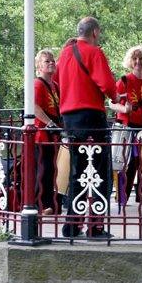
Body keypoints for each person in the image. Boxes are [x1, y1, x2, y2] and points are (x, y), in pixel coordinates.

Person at [55, 16, 119, 239]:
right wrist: (116, 96)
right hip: (91, 116)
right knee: (100, 171)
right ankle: (95, 226)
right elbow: (108, 84)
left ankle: (72, 225)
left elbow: (56, 81)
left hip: (69, 118)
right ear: (95, 33)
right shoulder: (94, 52)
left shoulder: (64, 54)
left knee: (78, 170)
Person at [108, 45, 142, 205]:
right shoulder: (124, 80)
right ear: (131, 61)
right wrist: (124, 108)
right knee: (124, 162)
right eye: (135, 58)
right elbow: (111, 103)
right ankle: (122, 196)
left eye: (141, 58)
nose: (138, 61)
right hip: (126, 126)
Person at [33, 49, 62, 215]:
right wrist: (50, 123)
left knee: (51, 170)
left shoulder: (55, 85)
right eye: (47, 61)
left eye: (52, 60)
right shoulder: (37, 84)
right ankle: (38, 206)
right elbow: (35, 107)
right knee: (42, 171)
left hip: (51, 136)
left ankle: (50, 204)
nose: (51, 63)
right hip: (41, 135)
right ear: (39, 66)